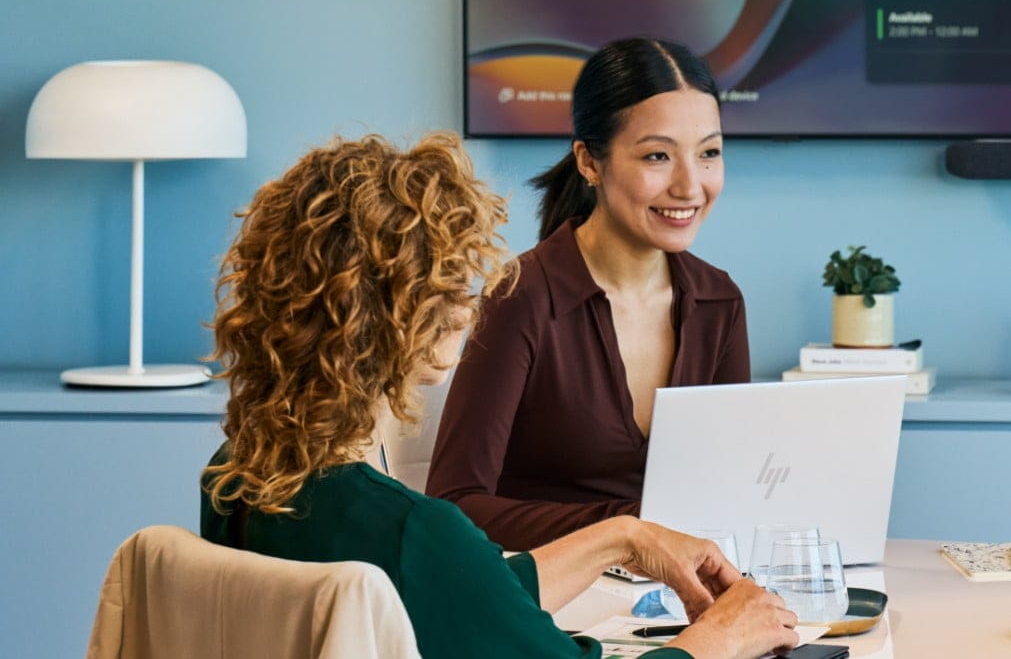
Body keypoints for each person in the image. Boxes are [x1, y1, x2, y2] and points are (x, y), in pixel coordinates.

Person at [201, 133, 795, 659]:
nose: (470, 305)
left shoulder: (235, 481)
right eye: (455, 284)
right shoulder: (420, 531)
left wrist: (623, 536)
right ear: (402, 316)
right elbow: (449, 576)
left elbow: (460, 595)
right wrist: (718, 641)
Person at [428, 37, 748, 551]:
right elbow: (454, 503)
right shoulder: (521, 297)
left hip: (673, 592)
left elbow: (732, 486)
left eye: (709, 153)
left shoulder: (719, 301)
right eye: (658, 156)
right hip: (549, 599)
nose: (691, 186)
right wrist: (625, 532)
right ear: (589, 162)